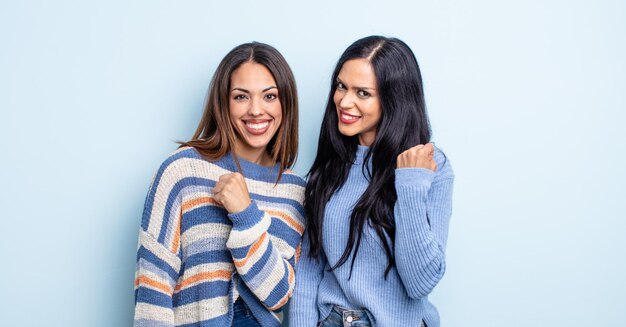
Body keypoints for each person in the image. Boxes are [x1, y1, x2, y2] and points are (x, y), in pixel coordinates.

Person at [133, 42, 306, 327]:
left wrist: (246, 214)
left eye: (269, 96)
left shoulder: (295, 192)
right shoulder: (182, 171)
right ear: (223, 103)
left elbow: (278, 295)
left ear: (285, 102)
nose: (256, 110)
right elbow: (153, 280)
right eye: (241, 97)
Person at [289, 36, 455, 327]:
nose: (344, 101)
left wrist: (410, 185)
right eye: (341, 86)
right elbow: (309, 267)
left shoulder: (430, 167)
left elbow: (419, 282)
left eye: (362, 93)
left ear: (394, 99)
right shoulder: (332, 164)